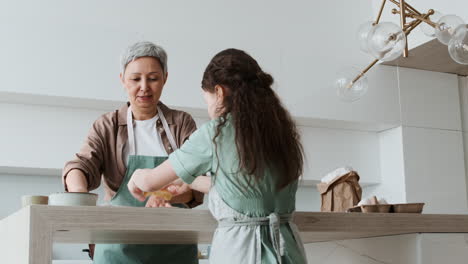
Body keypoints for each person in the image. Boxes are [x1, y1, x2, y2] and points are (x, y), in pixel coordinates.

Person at [127, 48, 308, 264]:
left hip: (244, 252)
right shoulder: (280, 132)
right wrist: (189, 181)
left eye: (208, 100)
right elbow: (240, 189)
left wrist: (137, 176)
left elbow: (149, 181)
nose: (209, 110)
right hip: (288, 250)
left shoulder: (217, 132)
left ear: (219, 92)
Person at [62, 41, 202, 263]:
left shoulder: (181, 123)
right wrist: (79, 198)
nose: (144, 87)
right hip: (118, 248)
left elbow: (198, 183)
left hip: (175, 246)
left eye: (153, 78)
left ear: (165, 78)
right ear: (122, 80)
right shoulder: (107, 125)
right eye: (136, 79)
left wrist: (166, 194)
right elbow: (79, 166)